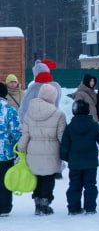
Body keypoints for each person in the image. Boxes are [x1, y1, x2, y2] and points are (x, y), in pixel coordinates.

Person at [18, 84, 66, 216]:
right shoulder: (58, 114)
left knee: (37, 178)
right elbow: (61, 137)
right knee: (48, 178)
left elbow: (25, 135)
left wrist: (21, 148)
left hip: (33, 151)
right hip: (51, 151)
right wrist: (66, 151)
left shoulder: (29, 112)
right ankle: (45, 203)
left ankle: (37, 203)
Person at [60, 100, 99, 214]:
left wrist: (66, 157)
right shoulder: (93, 125)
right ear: (87, 111)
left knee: (74, 185)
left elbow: (64, 145)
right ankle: (90, 207)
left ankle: (73, 208)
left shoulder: (70, 127)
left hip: (75, 163)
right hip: (91, 163)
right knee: (90, 185)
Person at [0, 91, 22, 216]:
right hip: (5, 153)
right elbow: (16, 131)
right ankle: (4, 207)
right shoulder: (10, 110)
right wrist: (18, 145)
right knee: (5, 180)